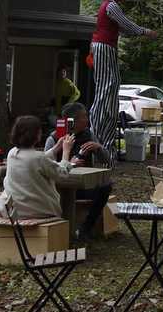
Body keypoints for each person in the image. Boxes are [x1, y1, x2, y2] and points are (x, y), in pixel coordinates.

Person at [88, 0, 157, 156]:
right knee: (107, 85)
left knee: (112, 84)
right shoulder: (111, 6)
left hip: (106, 47)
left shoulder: (110, 6)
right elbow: (126, 24)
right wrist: (145, 31)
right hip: (103, 46)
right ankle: (98, 129)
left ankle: (105, 132)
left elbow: (123, 28)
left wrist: (139, 33)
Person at [42, 102, 114, 242]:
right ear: (72, 121)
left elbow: (107, 161)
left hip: (83, 185)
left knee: (105, 186)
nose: (87, 119)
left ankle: (85, 228)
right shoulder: (55, 138)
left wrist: (98, 148)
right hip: (58, 186)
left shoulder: (88, 135)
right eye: (84, 117)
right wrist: (70, 163)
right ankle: (62, 231)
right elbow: (45, 165)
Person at [0, 115, 62, 220]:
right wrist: (66, 154)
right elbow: (62, 174)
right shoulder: (38, 158)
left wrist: (56, 148)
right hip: (40, 211)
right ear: (37, 135)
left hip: (16, 211)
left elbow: (33, 160)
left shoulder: (12, 153)